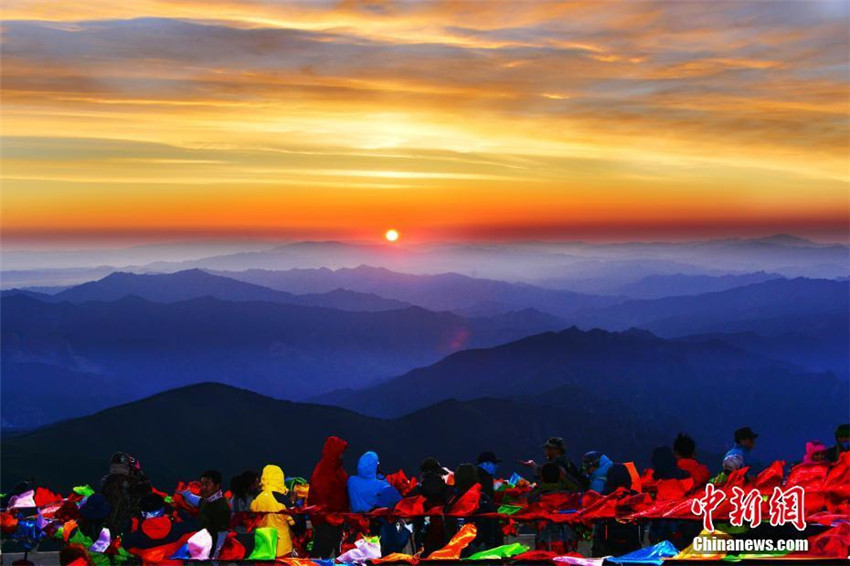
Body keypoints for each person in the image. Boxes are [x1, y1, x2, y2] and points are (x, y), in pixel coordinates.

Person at [347, 451, 405, 556]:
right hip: (375, 529)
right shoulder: (382, 485)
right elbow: (399, 501)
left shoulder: (351, 481)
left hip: (355, 529)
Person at [308, 436, 350, 559]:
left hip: (336, 523)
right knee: (322, 556)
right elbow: (319, 497)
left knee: (329, 556)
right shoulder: (324, 472)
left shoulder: (337, 472)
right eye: (341, 452)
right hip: (326, 523)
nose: (342, 455)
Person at [445, 463, 498, 557]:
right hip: (481, 544)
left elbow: (448, 523)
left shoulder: (453, 500)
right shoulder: (483, 498)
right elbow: (492, 521)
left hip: (457, 546)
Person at [591, 464, 641, 557]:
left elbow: (594, 518)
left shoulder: (603, 497)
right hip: (631, 543)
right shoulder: (635, 496)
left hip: (606, 545)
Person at [528, 463, 578, 554]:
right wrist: (564, 478)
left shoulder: (535, 497)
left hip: (544, 542)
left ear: (542, 477)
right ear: (560, 476)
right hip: (568, 542)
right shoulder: (571, 496)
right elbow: (578, 488)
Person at [408, 457, 454, 555]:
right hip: (446, 533)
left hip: (422, 534)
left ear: (423, 475)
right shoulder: (449, 491)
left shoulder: (416, 492)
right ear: (439, 474)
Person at [100, 452, 152, 536]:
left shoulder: (105, 483)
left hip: (107, 526)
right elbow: (148, 490)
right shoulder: (134, 483)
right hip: (127, 526)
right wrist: (138, 471)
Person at [250, 465, 297, 558]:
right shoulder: (283, 499)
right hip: (281, 547)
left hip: (263, 545)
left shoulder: (256, 498)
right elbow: (295, 521)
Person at [521, 437, 585, 490]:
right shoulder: (568, 462)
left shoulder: (557, 465)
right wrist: (533, 465)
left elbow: (551, 483)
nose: (545, 452)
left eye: (548, 449)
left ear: (555, 450)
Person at [198, 469, 231, 557]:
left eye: (207, 484)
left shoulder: (221, 507)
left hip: (211, 554)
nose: (203, 487)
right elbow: (197, 500)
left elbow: (222, 535)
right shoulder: (205, 501)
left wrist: (215, 556)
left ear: (217, 486)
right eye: (202, 484)